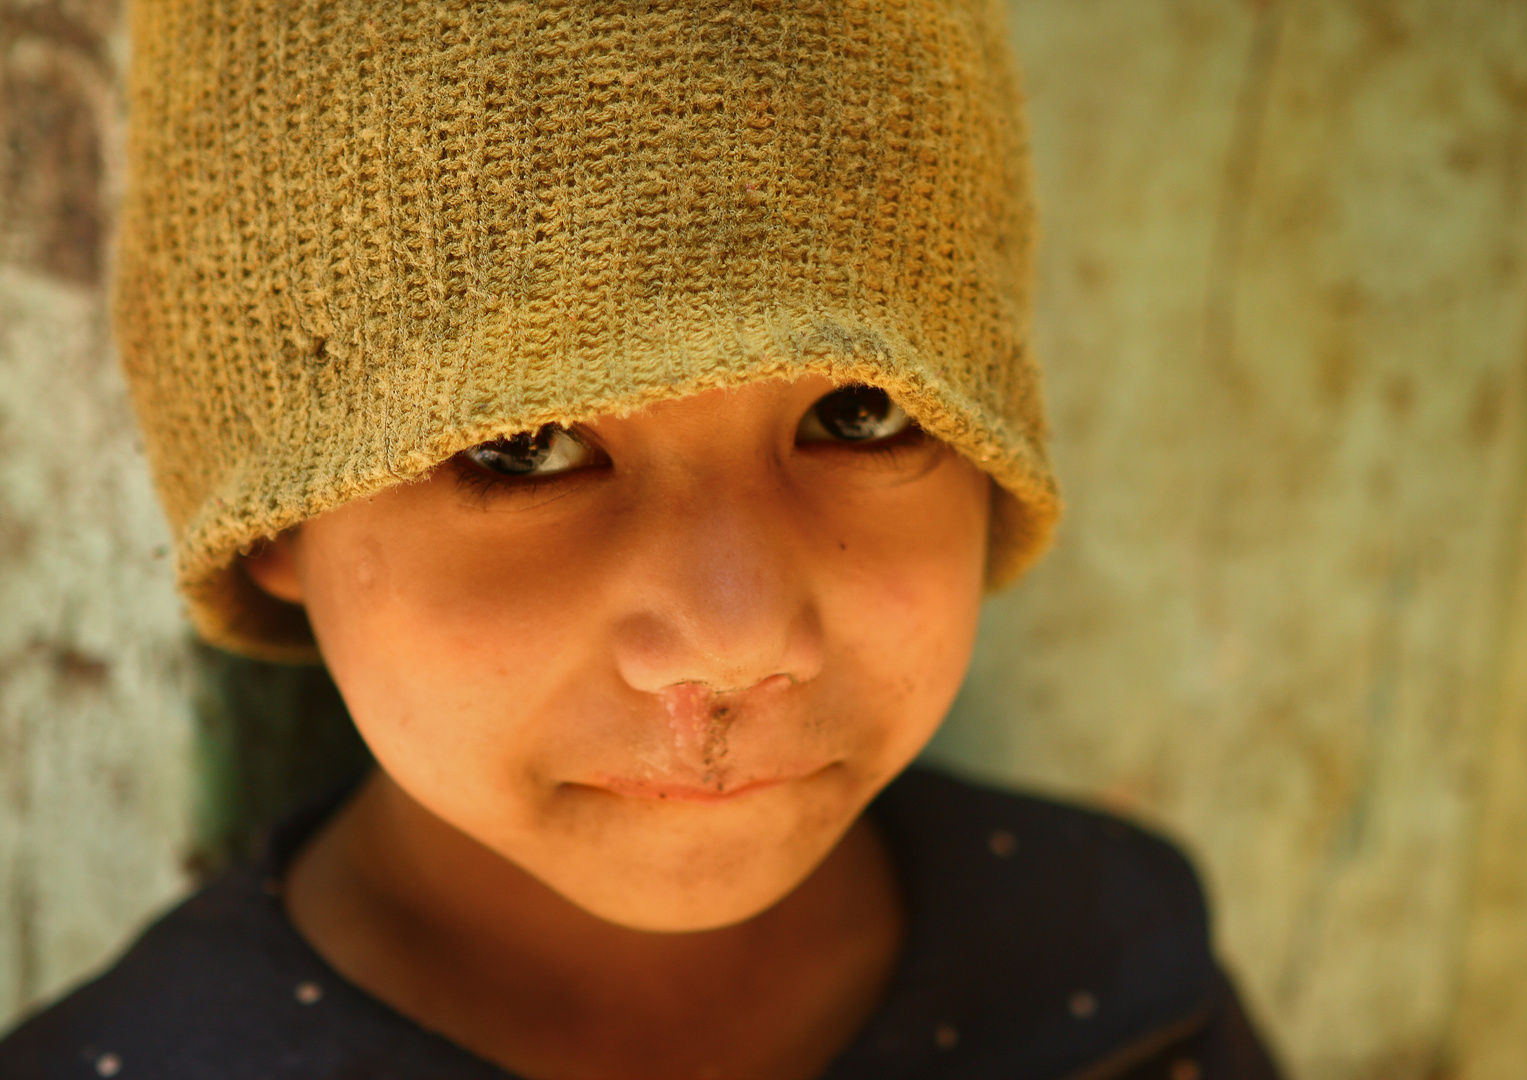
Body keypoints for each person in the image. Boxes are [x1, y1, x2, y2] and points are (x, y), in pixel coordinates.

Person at [0, 1, 1282, 1077]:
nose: (732, 639)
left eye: (861, 410)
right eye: (523, 445)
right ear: (272, 517)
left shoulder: (1117, 970)